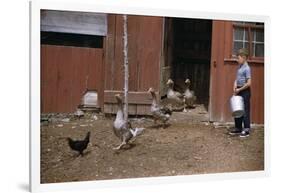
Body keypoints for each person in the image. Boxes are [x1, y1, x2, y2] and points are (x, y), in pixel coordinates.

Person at [229, 48, 251, 138]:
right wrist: (235, 85)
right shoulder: (240, 67)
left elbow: (249, 83)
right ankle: (238, 128)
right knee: (237, 109)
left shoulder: (247, 68)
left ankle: (246, 130)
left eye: (238, 58)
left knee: (245, 110)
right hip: (238, 89)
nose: (237, 60)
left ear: (244, 57)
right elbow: (237, 78)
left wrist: (240, 89)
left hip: (244, 91)